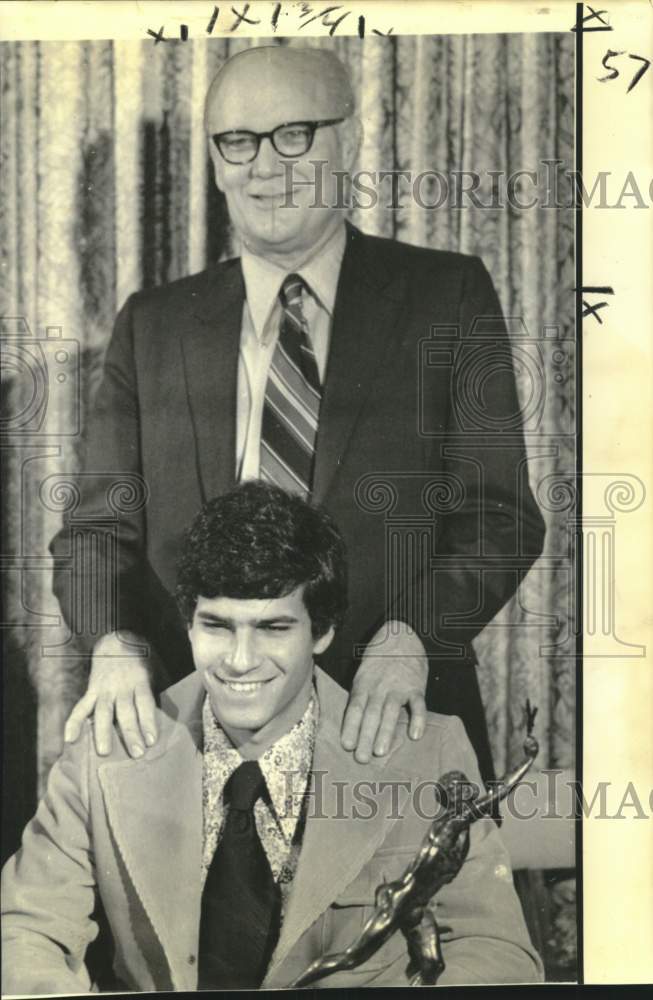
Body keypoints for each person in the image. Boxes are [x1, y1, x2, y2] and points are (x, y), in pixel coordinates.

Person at [50, 45, 545, 783]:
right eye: (238, 142)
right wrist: (115, 642)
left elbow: (499, 516)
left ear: (345, 142)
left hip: (387, 720)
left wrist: (411, 637)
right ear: (216, 164)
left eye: (294, 134)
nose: (264, 165)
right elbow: (93, 532)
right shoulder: (151, 324)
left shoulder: (446, 296)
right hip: (184, 736)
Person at [4, 481, 543, 992]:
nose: (240, 662)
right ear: (188, 624)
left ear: (323, 631)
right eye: (216, 625)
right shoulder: (108, 746)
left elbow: (495, 952)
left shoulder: (427, 752)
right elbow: (23, 935)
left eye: (273, 628)